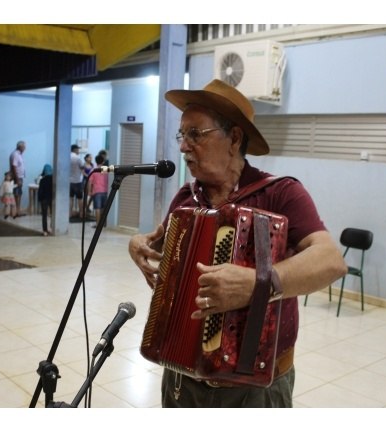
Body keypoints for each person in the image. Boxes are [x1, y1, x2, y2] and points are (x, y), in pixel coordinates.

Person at [128, 79, 347, 408]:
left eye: (195, 134)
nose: (184, 146)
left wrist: (258, 283)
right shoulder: (187, 198)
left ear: (234, 138)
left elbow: (331, 260)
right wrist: (140, 245)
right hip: (182, 376)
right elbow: (168, 248)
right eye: (182, 135)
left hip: (256, 386)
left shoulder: (280, 193)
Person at [88, 154, 109, 228]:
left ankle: (97, 224)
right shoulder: (106, 170)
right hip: (105, 191)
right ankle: (104, 223)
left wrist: (89, 191)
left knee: (97, 208)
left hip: (96, 191)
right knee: (104, 208)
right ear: (103, 161)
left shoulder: (94, 170)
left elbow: (90, 182)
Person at [9, 140, 26, 217]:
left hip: (19, 177)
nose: (25, 148)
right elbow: (14, 166)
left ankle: (17, 211)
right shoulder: (15, 154)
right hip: (17, 177)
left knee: (18, 194)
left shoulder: (19, 154)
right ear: (20, 147)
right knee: (16, 195)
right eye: (24, 146)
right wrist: (17, 179)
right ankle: (15, 212)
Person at [70, 144, 85, 218]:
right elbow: (82, 169)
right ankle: (81, 214)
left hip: (70, 181)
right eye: (78, 149)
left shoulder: (67, 157)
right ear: (75, 150)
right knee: (80, 198)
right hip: (78, 181)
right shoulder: (78, 158)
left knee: (70, 198)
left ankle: (69, 213)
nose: (79, 151)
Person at [37, 164, 53, 236]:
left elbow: (40, 191)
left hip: (44, 199)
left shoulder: (42, 180)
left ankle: (45, 230)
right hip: (52, 198)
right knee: (53, 214)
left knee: (44, 215)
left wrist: (39, 199)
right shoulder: (53, 179)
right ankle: (52, 228)